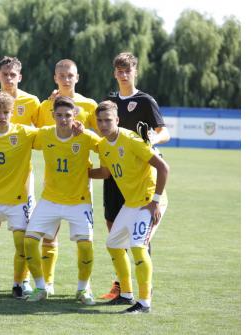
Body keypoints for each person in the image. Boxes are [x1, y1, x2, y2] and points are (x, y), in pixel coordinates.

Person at [99, 52, 171, 300]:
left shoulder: (144, 101)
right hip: (116, 174)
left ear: (134, 72)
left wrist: (153, 138)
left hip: (140, 173)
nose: (123, 74)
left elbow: (165, 132)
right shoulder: (109, 101)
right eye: (119, 70)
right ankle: (121, 286)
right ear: (114, 73)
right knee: (114, 230)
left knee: (139, 236)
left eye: (127, 70)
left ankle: (144, 288)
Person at [89, 101, 170, 313]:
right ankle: (125, 294)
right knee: (113, 244)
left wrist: (156, 201)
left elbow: (163, 168)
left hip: (149, 201)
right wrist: (83, 172)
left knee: (137, 247)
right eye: (100, 121)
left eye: (108, 120)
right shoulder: (104, 145)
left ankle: (144, 303)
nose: (104, 124)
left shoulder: (131, 139)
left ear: (117, 120)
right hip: (132, 203)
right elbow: (106, 173)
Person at [23, 96, 101, 305]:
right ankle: (41, 287)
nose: (64, 119)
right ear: (52, 116)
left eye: (68, 115)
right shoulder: (45, 134)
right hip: (50, 200)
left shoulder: (86, 137)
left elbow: (108, 147)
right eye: (59, 115)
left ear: (75, 115)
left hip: (79, 201)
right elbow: (19, 135)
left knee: (85, 247)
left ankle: (83, 290)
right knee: (29, 242)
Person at [0, 56, 40, 295]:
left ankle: (21, 281)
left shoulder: (32, 101)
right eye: (5, 74)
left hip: (23, 179)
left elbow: (46, 132)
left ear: (20, 77)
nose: (9, 78)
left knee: (22, 234)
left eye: (13, 75)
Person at [34, 59, 100, 295]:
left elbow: (100, 138)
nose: (66, 79)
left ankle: (84, 286)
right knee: (49, 235)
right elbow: (42, 136)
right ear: (55, 78)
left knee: (83, 238)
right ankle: (48, 283)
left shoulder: (89, 105)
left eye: (70, 75)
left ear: (77, 77)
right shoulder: (45, 106)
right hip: (52, 181)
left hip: (80, 184)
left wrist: (86, 130)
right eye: (61, 75)